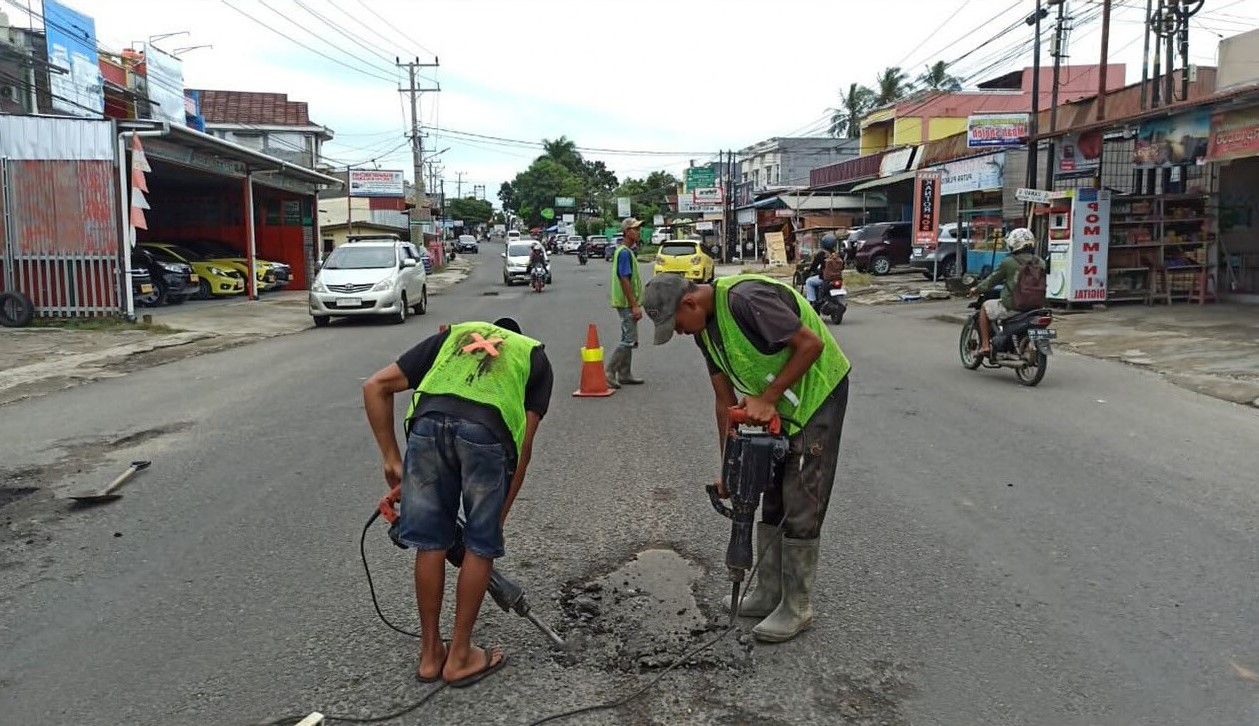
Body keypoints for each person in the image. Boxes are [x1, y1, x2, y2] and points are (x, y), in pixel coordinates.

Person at [641, 272, 851, 643]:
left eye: (677, 325)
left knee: (800, 497)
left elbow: (810, 345)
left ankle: (797, 606)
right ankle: (768, 592)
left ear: (689, 303)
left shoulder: (746, 299)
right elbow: (724, 402)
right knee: (769, 488)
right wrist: (729, 468)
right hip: (777, 407)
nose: (680, 333)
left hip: (817, 397)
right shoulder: (705, 331)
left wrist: (768, 397)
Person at [362, 317, 554, 687]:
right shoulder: (534, 356)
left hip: (428, 427)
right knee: (479, 548)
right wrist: (497, 519)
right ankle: (461, 656)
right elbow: (524, 448)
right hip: (487, 434)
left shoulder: (454, 336)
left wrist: (391, 460)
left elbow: (375, 386)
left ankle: (431, 654)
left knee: (431, 543)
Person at [968, 227, 1044, 358]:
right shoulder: (1041, 262)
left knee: (985, 308)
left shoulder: (1008, 262)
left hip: (1014, 306)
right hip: (1037, 306)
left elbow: (991, 281)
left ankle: (985, 345)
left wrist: (976, 289)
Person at [607, 217, 646, 388]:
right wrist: (634, 305)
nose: (638, 232)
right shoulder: (624, 252)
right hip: (626, 303)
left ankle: (624, 373)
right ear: (626, 232)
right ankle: (609, 371)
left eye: (638, 229)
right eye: (635, 229)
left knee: (629, 338)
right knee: (628, 339)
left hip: (627, 302)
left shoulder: (627, 251)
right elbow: (624, 279)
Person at [802, 233, 841, 306]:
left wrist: (808, 269)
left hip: (824, 279)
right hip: (837, 278)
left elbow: (814, 266)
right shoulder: (837, 255)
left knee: (809, 282)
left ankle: (812, 303)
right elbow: (842, 266)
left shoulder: (821, 254)